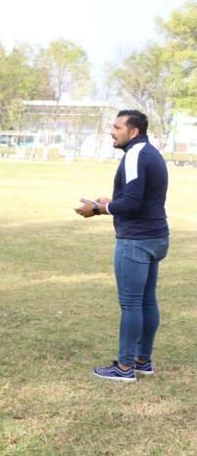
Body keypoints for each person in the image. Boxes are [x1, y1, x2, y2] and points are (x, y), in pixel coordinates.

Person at [76, 110, 169, 382]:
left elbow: (132, 203)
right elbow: (136, 196)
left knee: (131, 303)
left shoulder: (134, 154)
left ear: (134, 131)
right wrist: (110, 201)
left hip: (135, 241)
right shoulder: (151, 152)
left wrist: (98, 209)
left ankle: (125, 367)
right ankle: (143, 360)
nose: (111, 132)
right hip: (156, 237)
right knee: (147, 300)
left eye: (117, 127)